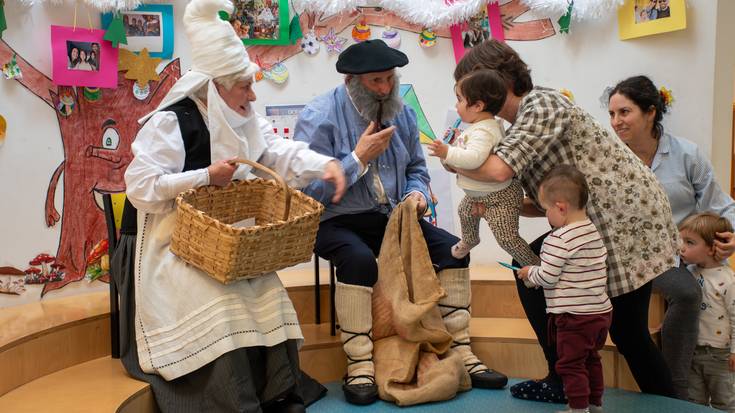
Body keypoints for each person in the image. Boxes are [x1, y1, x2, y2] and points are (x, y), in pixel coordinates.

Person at [115, 0, 346, 411]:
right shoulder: (171, 123)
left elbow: (274, 154)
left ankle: (276, 391)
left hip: (218, 244)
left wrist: (324, 165)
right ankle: (232, 401)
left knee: (264, 287)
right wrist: (205, 176)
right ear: (215, 86)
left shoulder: (242, 116)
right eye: (244, 85)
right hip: (165, 245)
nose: (252, 94)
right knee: (221, 302)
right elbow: (140, 187)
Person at [452, 40, 680, 403]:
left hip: (620, 219)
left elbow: (497, 171)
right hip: (595, 219)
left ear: (495, 83)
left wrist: (450, 156)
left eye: (469, 93)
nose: (469, 104)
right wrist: (494, 207)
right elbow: (541, 203)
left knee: (628, 330)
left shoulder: (540, 105)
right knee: (534, 268)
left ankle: (664, 402)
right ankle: (563, 376)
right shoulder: (517, 125)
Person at [294, 39, 508, 405]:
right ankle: (359, 364)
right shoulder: (318, 116)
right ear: (352, 82)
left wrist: (418, 194)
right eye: (376, 81)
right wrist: (358, 159)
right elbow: (306, 193)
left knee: (455, 250)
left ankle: (461, 351)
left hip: (393, 217)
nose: (385, 89)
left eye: (390, 79)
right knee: (358, 260)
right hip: (335, 221)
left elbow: (416, 169)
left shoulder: (402, 112)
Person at [607, 75, 735, 399]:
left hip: (679, 254)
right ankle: (670, 387)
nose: (616, 122)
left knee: (691, 292)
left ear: (650, 112)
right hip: (629, 254)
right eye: (612, 114)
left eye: (624, 112)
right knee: (670, 302)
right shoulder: (608, 160)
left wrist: (732, 236)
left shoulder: (686, 154)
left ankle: (676, 386)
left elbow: (722, 206)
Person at [517, 165, 612, 413]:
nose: (547, 215)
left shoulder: (558, 239)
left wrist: (529, 273)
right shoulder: (592, 230)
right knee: (591, 359)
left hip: (574, 316)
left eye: (546, 209)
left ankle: (578, 408)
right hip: (600, 313)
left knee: (570, 365)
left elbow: (547, 277)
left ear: (560, 207)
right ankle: (595, 403)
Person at [427, 69, 537, 266]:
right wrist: (453, 145)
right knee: (464, 211)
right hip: (479, 195)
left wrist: (447, 152)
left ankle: (533, 267)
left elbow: (473, 159)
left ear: (477, 105)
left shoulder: (485, 131)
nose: (456, 105)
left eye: (459, 99)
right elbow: (468, 154)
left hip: (499, 198)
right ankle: (470, 239)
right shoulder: (479, 128)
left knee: (507, 238)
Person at [678, 213, 735, 411]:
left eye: (690, 242)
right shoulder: (689, 273)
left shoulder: (728, 280)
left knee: (724, 402)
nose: (682, 247)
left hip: (720, 354)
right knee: (694, 401)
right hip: (694, 350)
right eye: (681, 240)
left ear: (713, 248)